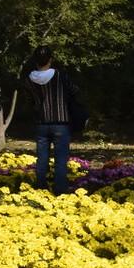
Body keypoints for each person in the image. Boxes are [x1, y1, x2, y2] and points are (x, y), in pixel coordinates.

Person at [22, 45, 81, 196]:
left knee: (42, 158)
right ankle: (60, 189)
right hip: (61, 122)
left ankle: (41, 187)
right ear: (50, 59)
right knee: (60, 158)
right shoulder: (60, 76)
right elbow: (75, 91)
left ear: (36, 61)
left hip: (41, 122)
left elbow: (29, 101)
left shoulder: (29, 79)